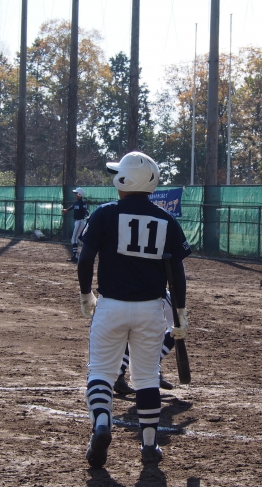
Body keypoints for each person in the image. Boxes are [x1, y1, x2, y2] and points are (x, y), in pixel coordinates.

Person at [77, 151, 192, 468]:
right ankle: (150, 445)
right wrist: (180, 313)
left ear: (125, 179)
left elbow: (85, 260)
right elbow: (178, 274)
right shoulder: (166, 220)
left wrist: (86, 294)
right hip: (151, 310)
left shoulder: (105, 213)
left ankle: (102, 424)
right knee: (147, 378)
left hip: (111, 306)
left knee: (101, 372)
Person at [114, 291, 177, 395]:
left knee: (131, 328)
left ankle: (118, 373)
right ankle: (153, 367)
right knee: (177, 326)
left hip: (119, 296)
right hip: (153, 292)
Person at [62, 187, 90, 262]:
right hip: (78, 222)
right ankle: (85, 253)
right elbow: (72, 207)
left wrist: (88, 215)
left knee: (74, 238)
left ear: (80, 194)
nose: (75, 195)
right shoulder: (77, 202)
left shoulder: (82, 203)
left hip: (80, 221)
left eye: (76, 193)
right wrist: (66, 210)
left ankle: (75, 256)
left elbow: (85, 210)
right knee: (80, 238)